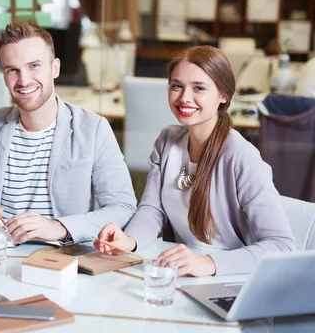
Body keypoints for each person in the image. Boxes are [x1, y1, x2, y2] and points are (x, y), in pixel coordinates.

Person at [94, 45, 295, 276]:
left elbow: (281, 245)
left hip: (230, 276)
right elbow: (152, 209)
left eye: (198, 88)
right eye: (176, 86)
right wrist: (129, 240)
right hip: (180, 272)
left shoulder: (241, 157)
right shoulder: (167, 140)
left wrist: (207, 263)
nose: (184, 97)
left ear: (223, 95)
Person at [0, 21, 136, 245]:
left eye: (34, 65)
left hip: (61, 260)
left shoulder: (93, 130)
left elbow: (123, 207)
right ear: (4, 76)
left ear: (55, 68)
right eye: (12, 70)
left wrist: (58, 227)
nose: (23, 80)